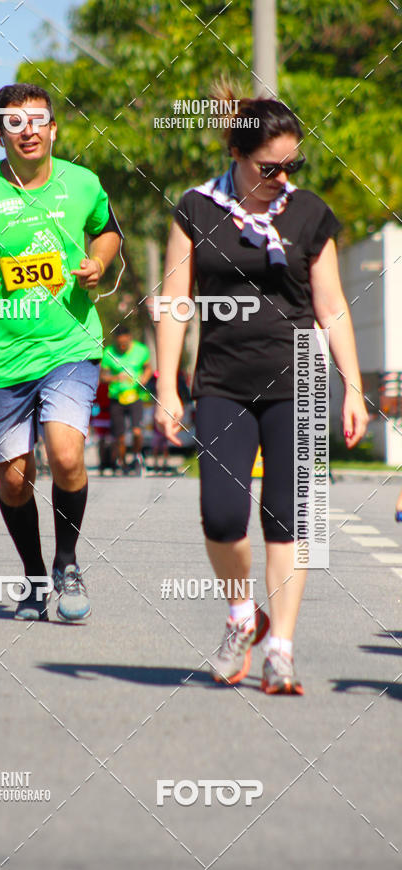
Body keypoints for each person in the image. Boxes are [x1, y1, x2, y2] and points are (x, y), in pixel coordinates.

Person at [155, 89, 368, 694]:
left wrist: (352, 388)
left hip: (298, 372)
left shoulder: (308, 215)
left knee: (288, 515)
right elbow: (175, 303)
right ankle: (241, 614)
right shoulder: (196, 209)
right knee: (222, 515)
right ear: (236, 154)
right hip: (221, 377)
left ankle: (282, 647)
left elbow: (330, 307)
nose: (281, 178)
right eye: (268, 167)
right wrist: (168, 385)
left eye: (291, 166)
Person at [0, 82, 122, 622]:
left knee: (65, 455)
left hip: (69, 344)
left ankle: (67, 564)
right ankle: (34, 576)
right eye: (15, 123)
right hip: (1, 355)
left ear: (54, 128)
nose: (29, 130)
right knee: (15, 479)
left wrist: (98, 262)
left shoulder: (82, 183)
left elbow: (107, 232)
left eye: (38, 120)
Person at [100, 325, 152, 474]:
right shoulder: (109, 352)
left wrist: (144, 378)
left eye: (125, 344)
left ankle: (136, 457)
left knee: (137, 431)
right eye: (120, 344)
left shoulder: (141, 350)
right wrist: (116, 377)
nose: (122, 347)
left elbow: (148, 368)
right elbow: (102, 377)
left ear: (130, 339)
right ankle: (122, 462)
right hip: (117, 398)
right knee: (120, 437)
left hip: (135, 397)